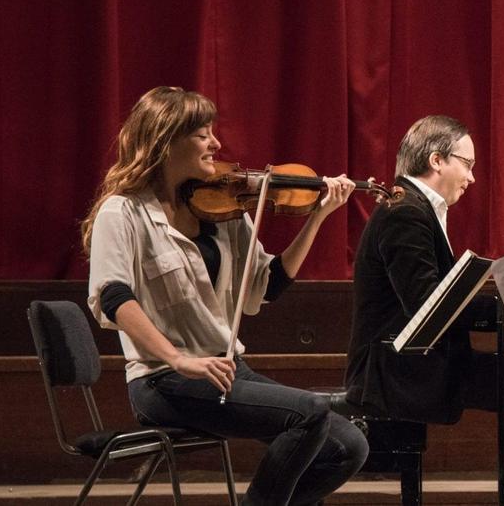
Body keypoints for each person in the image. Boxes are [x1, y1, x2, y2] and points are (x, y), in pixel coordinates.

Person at [82, 86, 369, 506]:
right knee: (310, 412)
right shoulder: (122, 213)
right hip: (164, 380)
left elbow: (268, 285)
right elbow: (113, 297)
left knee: (349, 446)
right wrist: (179, 358)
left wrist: (318, 216)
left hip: (226, 369)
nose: (216, 144)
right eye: (202, 134)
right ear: (165, 140)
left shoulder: (222, 211)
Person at [345, 115, 504, 505]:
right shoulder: (405, 213)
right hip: (398, 371)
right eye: (467, 164)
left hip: (419, 362)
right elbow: (426, 305)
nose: (471, 178)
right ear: (436, 160)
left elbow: (436, 302)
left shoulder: (413, 208)